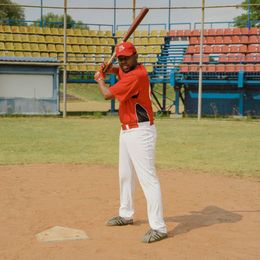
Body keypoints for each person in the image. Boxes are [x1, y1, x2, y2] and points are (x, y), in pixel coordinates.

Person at [94, 41, 167, 243]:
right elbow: (119, 71)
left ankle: (159, 227)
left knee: (148, 179)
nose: (124, 62)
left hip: (140, 132)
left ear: (136, 56)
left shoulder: (137, 75)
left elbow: (107, 94)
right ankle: (126, 214)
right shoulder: (130, 70)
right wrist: (111, 67)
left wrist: (100, 78)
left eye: (127, 58)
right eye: (121, 59)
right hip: (126, 131)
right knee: (125, 175)